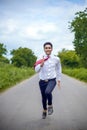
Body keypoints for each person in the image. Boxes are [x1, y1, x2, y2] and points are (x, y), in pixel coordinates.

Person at [34, 42, 62, 119]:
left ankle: (50, 105)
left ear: (52, 49)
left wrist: (59, 79)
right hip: (42, 81)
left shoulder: (56, 59)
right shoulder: (40, 58)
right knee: (43, 97)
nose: (48, 49)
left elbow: (59, 69)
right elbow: (36, 70)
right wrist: (41, 65)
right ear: (44, 49)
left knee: (48, 92)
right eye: (46, 48)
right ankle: (44, 110)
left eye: (49, 48)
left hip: (52, 80)